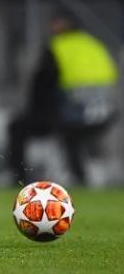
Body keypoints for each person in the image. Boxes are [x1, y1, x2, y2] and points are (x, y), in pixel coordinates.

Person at [8, 11, 118, 185]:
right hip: (105, 116)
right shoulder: (93, 44)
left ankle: (18, 179)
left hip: (71, 116)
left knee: (18, 126)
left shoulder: (58, 47)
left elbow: (42, 86)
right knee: (71, 135)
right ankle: (81, 176)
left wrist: (34, 111)